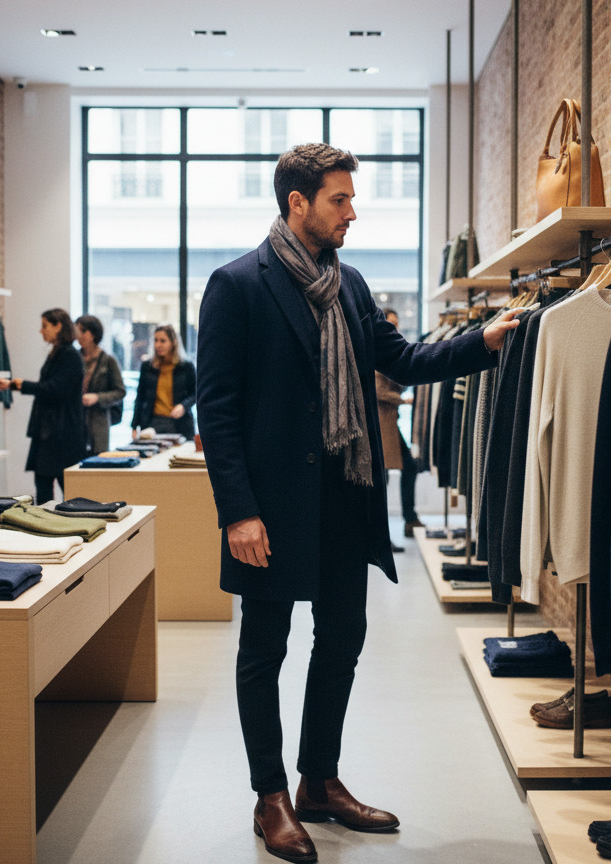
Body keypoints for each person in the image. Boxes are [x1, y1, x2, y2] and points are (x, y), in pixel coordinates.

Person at [196, 142, 520, 864]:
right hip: (271, 507)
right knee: (264, 649)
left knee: (342, 639)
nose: (352, 212)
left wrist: (484, 343)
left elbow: (401, 360)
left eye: (350, 198)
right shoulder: (237, 285)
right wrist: (237, 512)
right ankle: (270, 795)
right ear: (297, 204)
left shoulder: (350, 285)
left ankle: (318, 780)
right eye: (339, 199)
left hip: (346, 495)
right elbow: (215, 410)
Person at [0, 308, 85, 504]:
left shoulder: (70, 356)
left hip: (62, 435)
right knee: (44, 488)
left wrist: (20, 384)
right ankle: (45, 527)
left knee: (68, 492)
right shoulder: (58, 354)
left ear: (58, 326)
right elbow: (49, 388)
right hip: (49, 433)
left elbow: (56, 389)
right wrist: (13, 385)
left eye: (45, 326)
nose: (41, 331)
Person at [374, 307, 424, 553]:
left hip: (389, 424)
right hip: (379, 423)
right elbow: (377, 390)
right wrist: (403, 400)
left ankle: (409, 518)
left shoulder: (389, 348)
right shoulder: (374, 346)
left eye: (396, 323)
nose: (394, 328)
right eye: (390, 323)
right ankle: (380, 537)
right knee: (380, 481)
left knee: (409, 467)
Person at [131, 323, 196, 439]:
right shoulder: (147, 366)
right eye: (155, 340)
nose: (158, 345)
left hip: (179, 423)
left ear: (173, 342)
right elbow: (140, 397)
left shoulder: (186, 366)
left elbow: (196, 393)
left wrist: (183, 406)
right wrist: (134, 426)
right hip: (153, 423)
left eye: (163, 341)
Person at [74, 314, 126, 455]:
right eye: (77, 331)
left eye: (83, 331)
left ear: (93, 333)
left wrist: (97, 398)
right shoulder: (74, 359)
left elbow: (120, 391)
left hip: (98, 420)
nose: (79, 335)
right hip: (76, 419)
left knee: (97, 461)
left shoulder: (108, 361)